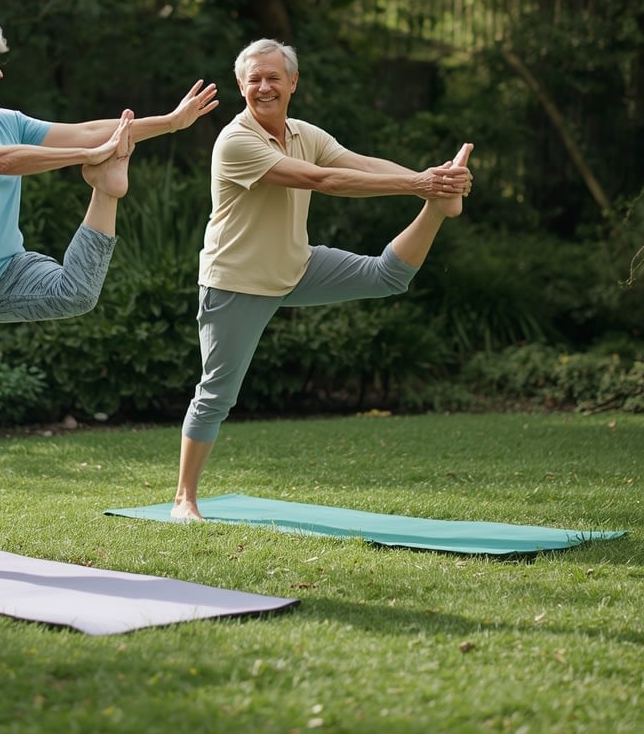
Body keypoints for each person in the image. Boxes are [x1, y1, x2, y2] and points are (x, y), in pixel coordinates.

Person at [0, 17, 219, 574]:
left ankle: (107, 194)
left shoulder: (4, 120)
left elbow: (85, 130)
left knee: (76, 291)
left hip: (3, 270)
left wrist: (166, 124)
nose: (0, 70)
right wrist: (92, 153)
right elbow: (3, 162)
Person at [171, 38, 473, 521]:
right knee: (216, 394)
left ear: (293, 82)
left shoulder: (303, 132)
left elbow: (357, 164)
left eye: (274, 77)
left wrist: (431, 181)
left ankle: (434, 213)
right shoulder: (235, 141)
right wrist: (418, 183)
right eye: (255, 79)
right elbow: (322, 181)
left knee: (386, 277)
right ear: (240, 86)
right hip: (237, 282)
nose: (264, 87)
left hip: (295, 265)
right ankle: (185, 499)